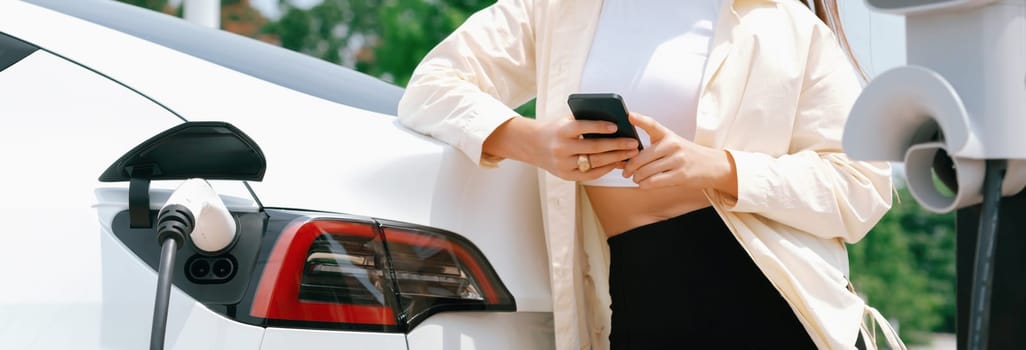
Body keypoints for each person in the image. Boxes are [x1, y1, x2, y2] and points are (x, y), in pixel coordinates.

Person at [398, 0, 899, 349]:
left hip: (775, 298)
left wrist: (719, 167)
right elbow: (432, 86)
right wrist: (534, 141)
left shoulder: (786, 23)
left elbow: (861, 184)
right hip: (640, 298)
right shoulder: (556, 9)